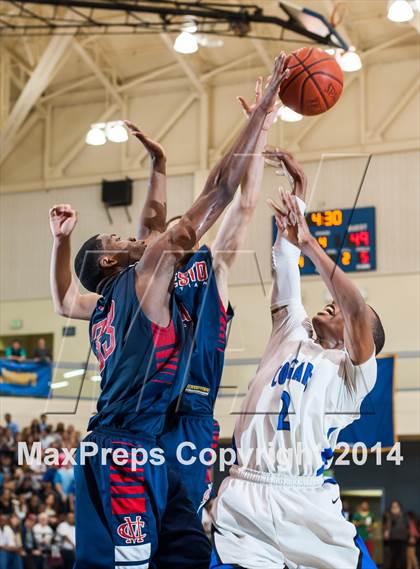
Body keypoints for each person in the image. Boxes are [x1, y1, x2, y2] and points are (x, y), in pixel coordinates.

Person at [49, 56, 289, 569]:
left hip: (169, 430)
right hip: (136, 439)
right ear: (112, 260)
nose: (137, 237)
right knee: (133, 558)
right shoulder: (146, 278)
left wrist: (159, 167)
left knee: (182, 550)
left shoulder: (122, 297)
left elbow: (71, 293)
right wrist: (260, 116)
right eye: (119, 240)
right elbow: (220, 196)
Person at [210, 150, 385, 569]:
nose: (333, 305)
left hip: (307, 500)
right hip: (246, 494)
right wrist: (299, 199)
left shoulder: (354, 375)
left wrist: (309, 241)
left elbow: (357, 308)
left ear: (360, 340)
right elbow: (284, 262)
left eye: (340, 308)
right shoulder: (291, 331)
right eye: (333, 302)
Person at [384, 500, 409, 569]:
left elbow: (408, 526)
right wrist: (386, 532)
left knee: (402, 557)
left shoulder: (404, 515)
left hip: (402, 539)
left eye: (396, 506)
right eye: (393, 506)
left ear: (399, 507)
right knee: (393, 557)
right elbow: (387, 527)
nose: (395, 508)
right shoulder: (389, 516)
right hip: (393, 539)